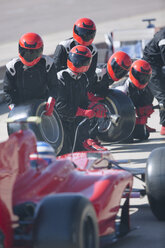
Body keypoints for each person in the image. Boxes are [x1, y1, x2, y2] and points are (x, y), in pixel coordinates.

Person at [55, 45, 107, 155]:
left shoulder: (83, 79)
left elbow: (83, 102)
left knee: (80, 153)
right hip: (60, 123)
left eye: (84, 62)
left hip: (76, 123)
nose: (81, 64)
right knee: (65, 153)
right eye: (79, 61)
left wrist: (93, 106)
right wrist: (83, 112)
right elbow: (60, 106)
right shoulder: (60, 78)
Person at [3, 32, 58, 116]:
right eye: (25, 52)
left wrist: (51, 101)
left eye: (33, 52)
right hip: (20, 107)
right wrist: (13, 106)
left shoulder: (48, 63)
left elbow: (54, 86)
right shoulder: (13, 66)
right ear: (20, 50)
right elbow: (8, 90)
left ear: (40, 51)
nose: (29, 55)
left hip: (43, 106)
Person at [87, 51, 133, 143]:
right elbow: (83, 85)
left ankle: (94, 137)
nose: (119, 73)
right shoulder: (99, 72)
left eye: (122, 71)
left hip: (92, 96)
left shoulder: (108, 77)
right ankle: (90, 139)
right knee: (94, 110)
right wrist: (91, 99)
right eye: (117, 69)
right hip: (82, 96)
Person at [111, 59, 154, 142]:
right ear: (133, 73)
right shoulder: (122, 89)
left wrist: (145, 110)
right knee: (127, 140)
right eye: (140, 76)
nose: (143, 79)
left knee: (143, 135)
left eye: (145, 77)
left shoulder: (146, 89)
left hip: (130, 118)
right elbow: (115, 110)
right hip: (117, 119)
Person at [53, 17, 97, 91]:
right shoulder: (63, 46)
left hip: (81, 84)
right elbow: (55, 70)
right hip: (63, 84)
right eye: (83, 32)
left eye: (89, 34)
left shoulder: (93, 51)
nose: (86, 36)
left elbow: (90, 74)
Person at [143, 27, 165, 135]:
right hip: (150, 66)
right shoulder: (163, 37)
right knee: (162, 96)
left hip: (158, 66)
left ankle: (141, 124)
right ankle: (164, 126)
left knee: (147, 96)